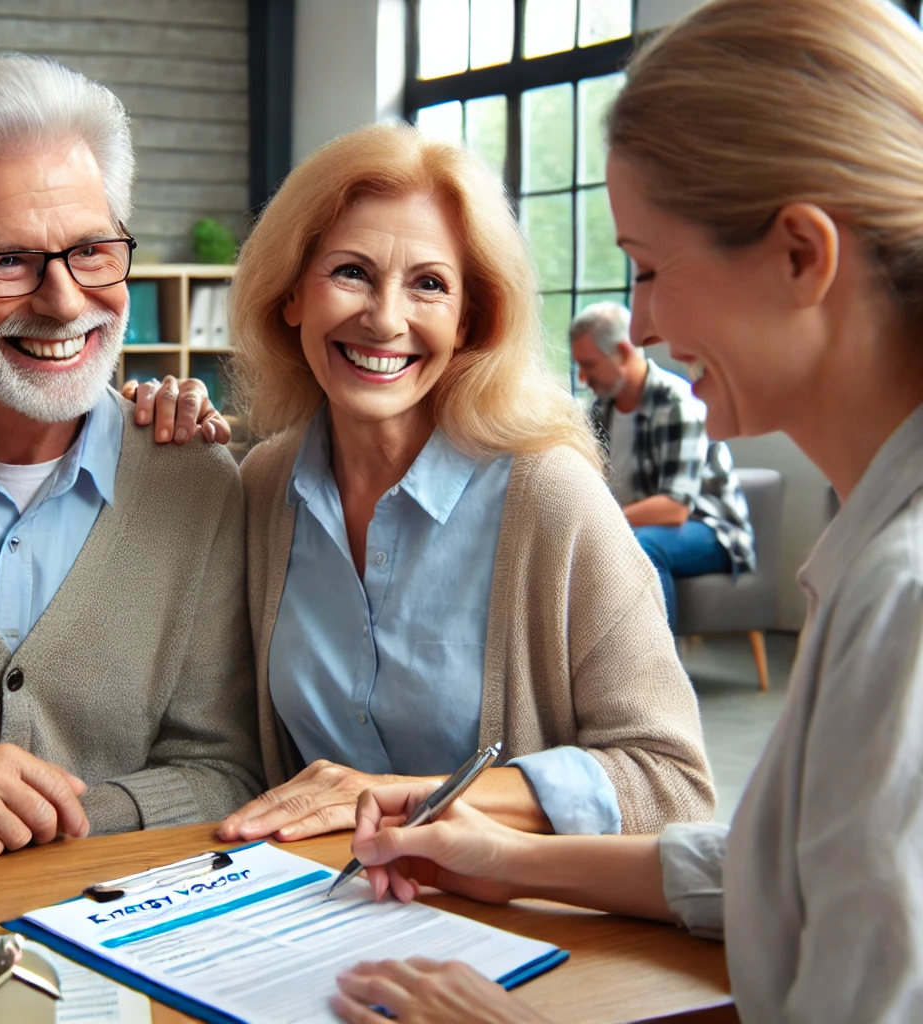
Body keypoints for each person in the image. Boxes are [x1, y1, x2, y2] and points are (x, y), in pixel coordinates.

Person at [329, 0, 923, 1021]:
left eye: (648, 266)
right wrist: (511, 859)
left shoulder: (904, 593)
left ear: (800, 253)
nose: (638, 321)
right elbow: (781, 871)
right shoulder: (874, 548)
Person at [191, 121, 716, 847]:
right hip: (309, 899)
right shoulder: (262, 486)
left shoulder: (550, 496)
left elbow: (674, 788)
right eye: (351, 273)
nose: (385, 320)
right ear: (290, 294)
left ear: (471, 320)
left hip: (503, 913)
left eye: (429, 285)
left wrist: (406, 800)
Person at [0, 55, 262, 861]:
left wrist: (53, 818)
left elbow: (227, 771)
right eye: (7, 260)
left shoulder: (197, 486)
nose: (64, 302)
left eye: (93, 250)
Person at [571, 301, 754, 631]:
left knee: (644, 546)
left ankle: (658, 661)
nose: (583, 378)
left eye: (588, 365)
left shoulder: (678, 403)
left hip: (710, 529)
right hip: (635, 523)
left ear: (623, 352)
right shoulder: (600, 409)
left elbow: (675, 508)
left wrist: (604, 522)